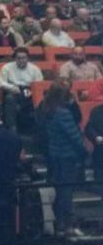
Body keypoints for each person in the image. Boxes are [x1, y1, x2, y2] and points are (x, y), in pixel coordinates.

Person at [39, 84, 87, 237]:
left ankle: (60, 224)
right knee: (66, 192)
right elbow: (74, 137)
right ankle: (66, 225)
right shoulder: (63, 113)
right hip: (67, 156)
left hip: (55, 155)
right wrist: (84, 152)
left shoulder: (47, 110)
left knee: (60, 190)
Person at [0, 47, 44, 132]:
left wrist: (32, 91)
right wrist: (12, 88)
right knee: (10, 98)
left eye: (24, 58)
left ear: (27, 58)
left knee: (42, 101)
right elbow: (0, 83)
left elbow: (40, 83)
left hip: (30, 91)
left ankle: (38, 130)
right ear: (15, 58)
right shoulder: (7, 67)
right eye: (19, 58)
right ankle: (12, 128)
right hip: (13, 90)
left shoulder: (35, 69)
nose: (21, 60)